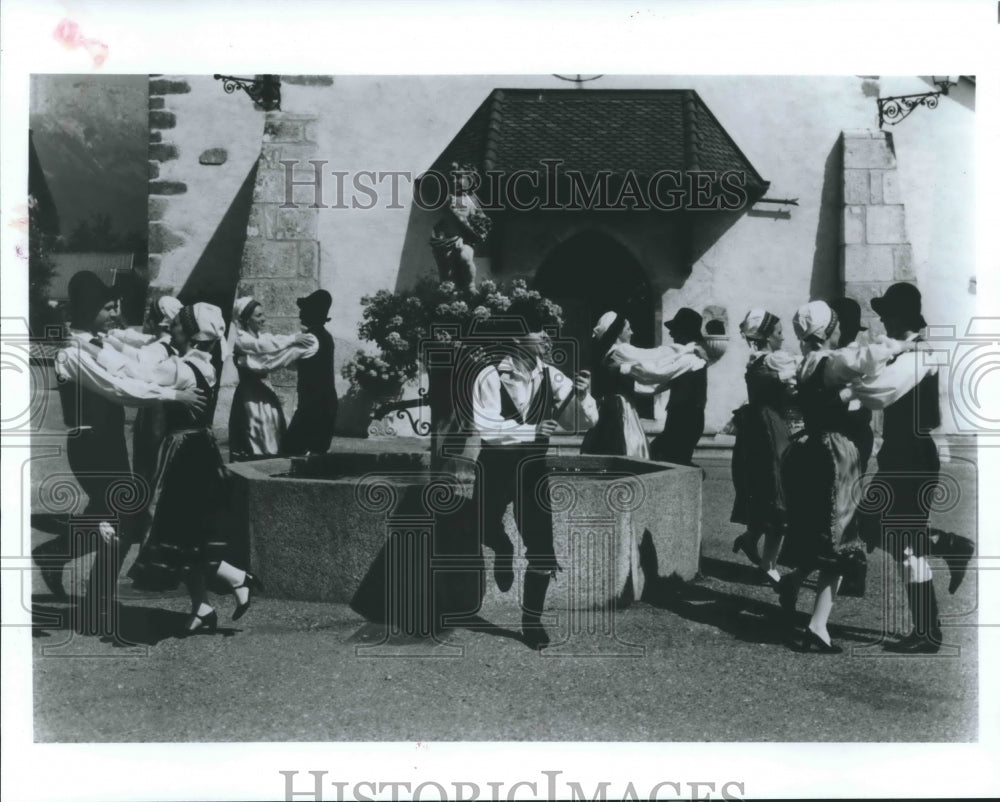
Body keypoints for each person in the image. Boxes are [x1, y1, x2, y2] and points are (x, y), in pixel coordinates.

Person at [45, 272, 205, 637]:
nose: (112, 313)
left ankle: (70, 571)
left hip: (109, 440)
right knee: (127, 517)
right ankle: (91, 598)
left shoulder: (97, 340)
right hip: (90, 445)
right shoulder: (73, 351)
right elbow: (116, 387)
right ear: (88, 310)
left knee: (120, 518)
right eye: (106, 307)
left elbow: (132, 356)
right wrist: (172, 396)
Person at [844, 283, 975, 653]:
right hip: (900, 455)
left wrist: (850, 383)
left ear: (902, 315)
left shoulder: (919, 354)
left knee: (903, 546)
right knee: (872, 526)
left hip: (913, 457)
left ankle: (928, 632)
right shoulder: (905, 352)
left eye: (886, 311)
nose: (882, 317)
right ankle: (948, 544)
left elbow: (881, 391)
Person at [778, 301, 914, 652]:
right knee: (841, 535)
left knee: (825, 530)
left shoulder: (808, 362)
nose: (841, 328)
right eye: (836, 324)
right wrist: (900, 343)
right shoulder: (830, 362)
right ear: (826, 330)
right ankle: (817, 626)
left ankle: (793, 582)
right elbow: (861, 360)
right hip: (836, 453)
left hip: (815, 449)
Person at [127, 303, 263, 635]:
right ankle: (201, 605)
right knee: (189, 532)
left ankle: (236, 577)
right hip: (197, 449)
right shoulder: (203, 364)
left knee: (182, 530)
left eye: (175, 326)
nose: (170, 329)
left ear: (189, 333)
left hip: (186, 455)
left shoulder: (182, 368)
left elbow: (138, 377)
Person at [471, 329, 599, 649]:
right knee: (482, 527)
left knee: (542, 550)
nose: (547, 338)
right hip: (495, 465)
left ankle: (532, 622)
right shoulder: (490, 374)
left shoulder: (552, 375)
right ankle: (502, 547)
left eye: (548, 333)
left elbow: (580, 423)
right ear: (515, 338)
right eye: (538, 333)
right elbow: (484, 425)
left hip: (533, 470)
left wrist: (582, 397)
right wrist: (531, 429)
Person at [729, 309, 801, 586]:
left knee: (764, 489)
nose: (783, 338)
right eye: (780, 333)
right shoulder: (774, 360)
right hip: (772, 429)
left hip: (756, 429)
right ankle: (768, 564)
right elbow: (797, 381)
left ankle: (750, 538)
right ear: (768, 337)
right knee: (779, 491)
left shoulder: (757, 361)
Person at [229, 296, 318, 461]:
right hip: (249, 395)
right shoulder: (242, 340)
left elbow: (272, 344)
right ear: (247, 319)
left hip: (265, 391)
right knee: (255, 429)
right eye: (258, 316)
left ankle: (270, 465)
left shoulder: (262, 337)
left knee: (273, 427)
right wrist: (293, 339)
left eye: (263, 315)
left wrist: (298, 345)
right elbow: (263, 348)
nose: (263, 319)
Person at [649, 308, 709, 467]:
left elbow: (662, 373)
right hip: (682, 415)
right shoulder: (691, 352)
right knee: (671, 460)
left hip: (686, 416)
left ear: (684, 332)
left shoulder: (689, 355)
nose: (671, 335)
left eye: (675, 330)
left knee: (670, 460)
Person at [283, 290, 339, 456]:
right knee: (314, 455)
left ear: (311, 313)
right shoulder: (326, 337)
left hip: (313, 406)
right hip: (324, 404)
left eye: (304, 310)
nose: (300, 315)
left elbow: (285, 361)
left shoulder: (310, 339)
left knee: (290, 452)